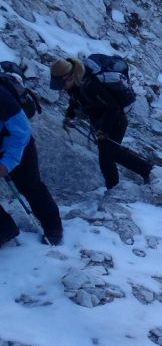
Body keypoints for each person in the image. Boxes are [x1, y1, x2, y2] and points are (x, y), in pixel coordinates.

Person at [49, 56, 152, 189]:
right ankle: (122, 183)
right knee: (108, 155)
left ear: (69, 77)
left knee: (109, 155)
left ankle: (144, 172)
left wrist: (104, 130)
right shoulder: (74, 85)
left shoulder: (91, 85)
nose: (62, 88)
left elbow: (113, 108)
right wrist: (69, 116)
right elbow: (75, 101)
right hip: (102, 121)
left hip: (116, 119)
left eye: (61, 84)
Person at [0, 72, 63, 246]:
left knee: (30, 186)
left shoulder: (1, 97)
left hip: (18, 145)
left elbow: (22, 131)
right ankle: (5, 230)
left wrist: (8, 162)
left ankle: (54, 229)